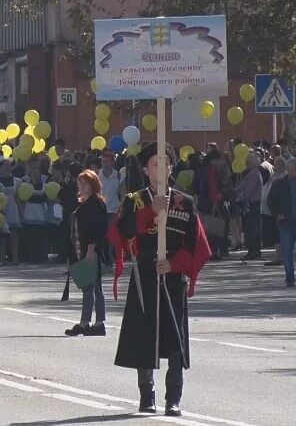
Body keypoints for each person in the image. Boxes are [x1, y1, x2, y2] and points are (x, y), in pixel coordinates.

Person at [109, 142, 212, 417]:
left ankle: (174, 398)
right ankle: (147, 394)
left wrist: (175, 263)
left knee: (175, 338)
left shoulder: (184, 201)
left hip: (172, 275)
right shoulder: (135, 200)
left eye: (166, 162)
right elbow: (121, 233)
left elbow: (197, 244)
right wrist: (149, 211)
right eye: (155, 163)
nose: (161, 167)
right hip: (145, 273)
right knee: (145, 335)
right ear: (145, 169)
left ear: (172, 167)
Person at [64, 169, 108, 336]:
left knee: (95, 287)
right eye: (80, 183)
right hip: (79, 249)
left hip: (92, 250)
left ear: (93, 185)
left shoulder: (97, 203)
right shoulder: (82, 204)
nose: (82, 186)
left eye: (85, 183)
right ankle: (86, 322)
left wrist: (92, 246)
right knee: (87, 288)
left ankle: (97, 323)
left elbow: (99, 228)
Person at [266, 158, 296, 286]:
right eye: (294, 168)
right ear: (288, 169)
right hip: (285, 224)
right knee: (287, 252)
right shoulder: (279, 184)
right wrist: (277, 214)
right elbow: (270, 201)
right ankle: (290, 277)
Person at [238, 153, 264, 261]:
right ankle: (253, 251)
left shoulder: (253, 174)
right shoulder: (254, 173)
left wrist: (240, 197)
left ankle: (253, 251)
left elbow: (249, 190)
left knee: (251, 229)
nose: (246, 164)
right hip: (253, 204)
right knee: (251, 229)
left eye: (247, 162)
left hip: (252, 204)